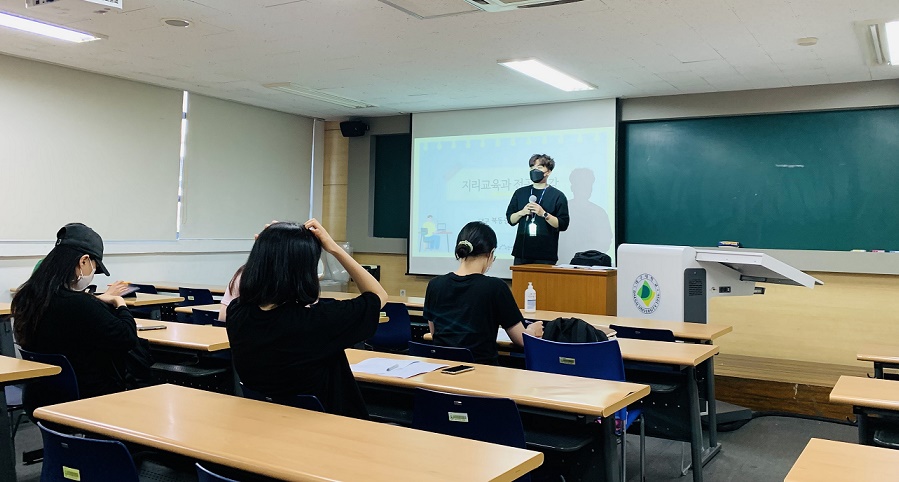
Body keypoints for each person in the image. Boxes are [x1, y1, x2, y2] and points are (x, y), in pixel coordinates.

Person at [226, 219, 387, 419]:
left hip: (267, 423)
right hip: (331, 426)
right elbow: (378, 295)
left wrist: (269, 247)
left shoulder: (237, 313)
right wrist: (334, 249)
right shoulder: (319, 320)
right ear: (305, 270)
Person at [12, 223, 139, 401]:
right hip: (87, 400)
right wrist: (120, 303)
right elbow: (127, 337)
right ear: (84, 261)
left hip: (40, 398)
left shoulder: (27, 297)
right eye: (95, 267)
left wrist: (93, 300)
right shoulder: (80, 304)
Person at [424, 221, 544, 365]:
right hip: (481, 371)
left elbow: (435, 334)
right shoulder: (495, 287)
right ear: (490, 254)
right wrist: (532, 330)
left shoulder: (435, 285)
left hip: (440, 370)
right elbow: (521, 340)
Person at [506, 154, 570, 265]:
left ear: (548, 172)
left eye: (539, 167)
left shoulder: (558, 196)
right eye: (532, 167)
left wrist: (544, 214)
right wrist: (522, 212)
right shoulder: (520, 193)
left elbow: (563, 224)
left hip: (546, 254)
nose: (534, 170)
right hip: (522, 253)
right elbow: (511, 219)